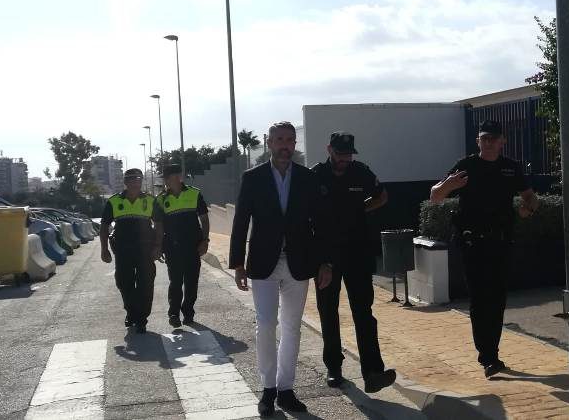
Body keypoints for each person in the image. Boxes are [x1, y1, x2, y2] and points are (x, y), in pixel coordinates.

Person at [229, 121, 333, 417]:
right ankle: (268, 389)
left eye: (289, 140)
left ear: (294, 144)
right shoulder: (253, 178)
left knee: (291, 327)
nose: (285, 145)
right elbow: (241, 220)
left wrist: (325, 262)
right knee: (265, 324)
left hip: (299, 263)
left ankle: (286, 389)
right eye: (279, 140)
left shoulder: (307, 178)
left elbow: (320, 222)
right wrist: (237, 263)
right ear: (270, 143)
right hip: (264, 262)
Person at [430, 120, 540, 378]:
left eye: (493, 138)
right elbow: (435, 196)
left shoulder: (510, 168)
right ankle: (488, 357)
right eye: (484, 138)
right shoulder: (466, 166)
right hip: (473, 243)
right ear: (478, 141)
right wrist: (448, 186)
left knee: (497, 300)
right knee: (480, 300)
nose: (488, 142)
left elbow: (529, 196)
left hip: (501, 242)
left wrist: (529, 207)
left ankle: (493, 353)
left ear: (502, 141)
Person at [311, 132, 397, 393]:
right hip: (326, 256)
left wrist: (361, 209)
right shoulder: (316, 176)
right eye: (340, 154)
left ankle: (373, 372)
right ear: (329, 150)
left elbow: (382, 196)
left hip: (357, 252)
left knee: (364, 312)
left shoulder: (361, 172)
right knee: (328, 311)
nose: (344, 159)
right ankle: (334, 368)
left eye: (348, 155)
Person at [100, 168, 160, 334]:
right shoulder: (114, 201)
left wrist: (158, 246)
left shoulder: (150, 200)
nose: (135, 183)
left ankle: (141, 319)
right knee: (123, 282)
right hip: (123, 250)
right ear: (125, 182)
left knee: (145, 284)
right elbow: (104, 226)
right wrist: (104, 249)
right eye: (132, 179)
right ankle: (131, 312)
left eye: (138, 179)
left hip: (145, 250)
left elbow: (159, 224)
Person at [153, 164, 210, 328]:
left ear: (179, 177)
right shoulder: (160, 200)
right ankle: (173, 314)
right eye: (168, 178)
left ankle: (188, 312)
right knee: (175, 282)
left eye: (174, 177)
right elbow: (158, 226)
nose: (169, 181)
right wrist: (158, 246)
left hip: (193, 246)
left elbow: (204, 219)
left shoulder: (194, 193)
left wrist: (205, 240)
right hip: (172, 247)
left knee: (192, 282)